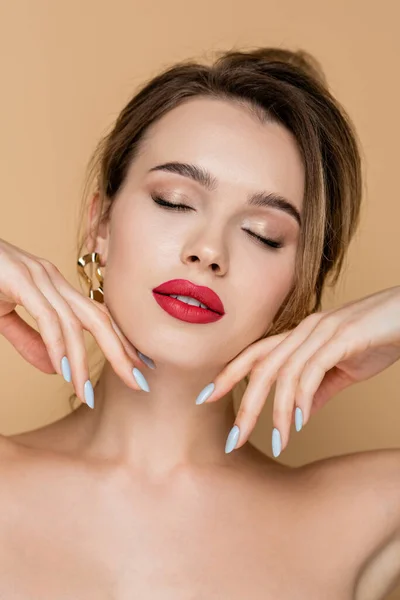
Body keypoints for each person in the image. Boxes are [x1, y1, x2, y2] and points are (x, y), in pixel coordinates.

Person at [0, 46, 399, 599]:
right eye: (174, 201)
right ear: (101, 226)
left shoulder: (365, 514)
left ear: (302, 284)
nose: (208, 251)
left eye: (264, 233)